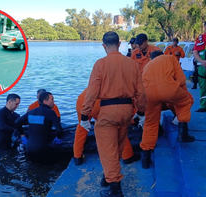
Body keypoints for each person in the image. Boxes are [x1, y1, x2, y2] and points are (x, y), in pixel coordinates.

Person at [80, 31, 146, 197]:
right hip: (126, 111)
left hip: (108, 111)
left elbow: (92, 93)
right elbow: (140, 92)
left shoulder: (100, 64)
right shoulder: (132, 64)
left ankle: (115, 190)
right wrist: (142, 112)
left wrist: (84, 115)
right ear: (119, 44)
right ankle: (107, 177)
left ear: (104, 46)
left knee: (107, 149)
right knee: (117, 146)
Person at [140, 51, 195, 169]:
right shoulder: (170, 58)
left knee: (150, 123)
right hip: (167, 88)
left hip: (148, 94)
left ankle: (146, 157)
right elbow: (181, 80)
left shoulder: (147, 66)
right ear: (162, 55)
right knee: (185, 102)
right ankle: (183, 133)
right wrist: (172, 87)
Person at [73, 88, 141, 166]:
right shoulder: (126, 90)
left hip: (81, 101)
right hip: (98, 104)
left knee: (82, 128)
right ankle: (128, 156)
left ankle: (77, 157)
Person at [15, 92, 63, 163]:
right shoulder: (51, 112)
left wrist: (22, 135)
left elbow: (17, 122)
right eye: (52, 99)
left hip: (29, 148)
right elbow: (59, 130)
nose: (53, 101)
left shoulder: (32, 112)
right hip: (42, 148)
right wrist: (58, 138)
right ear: (45, 101)